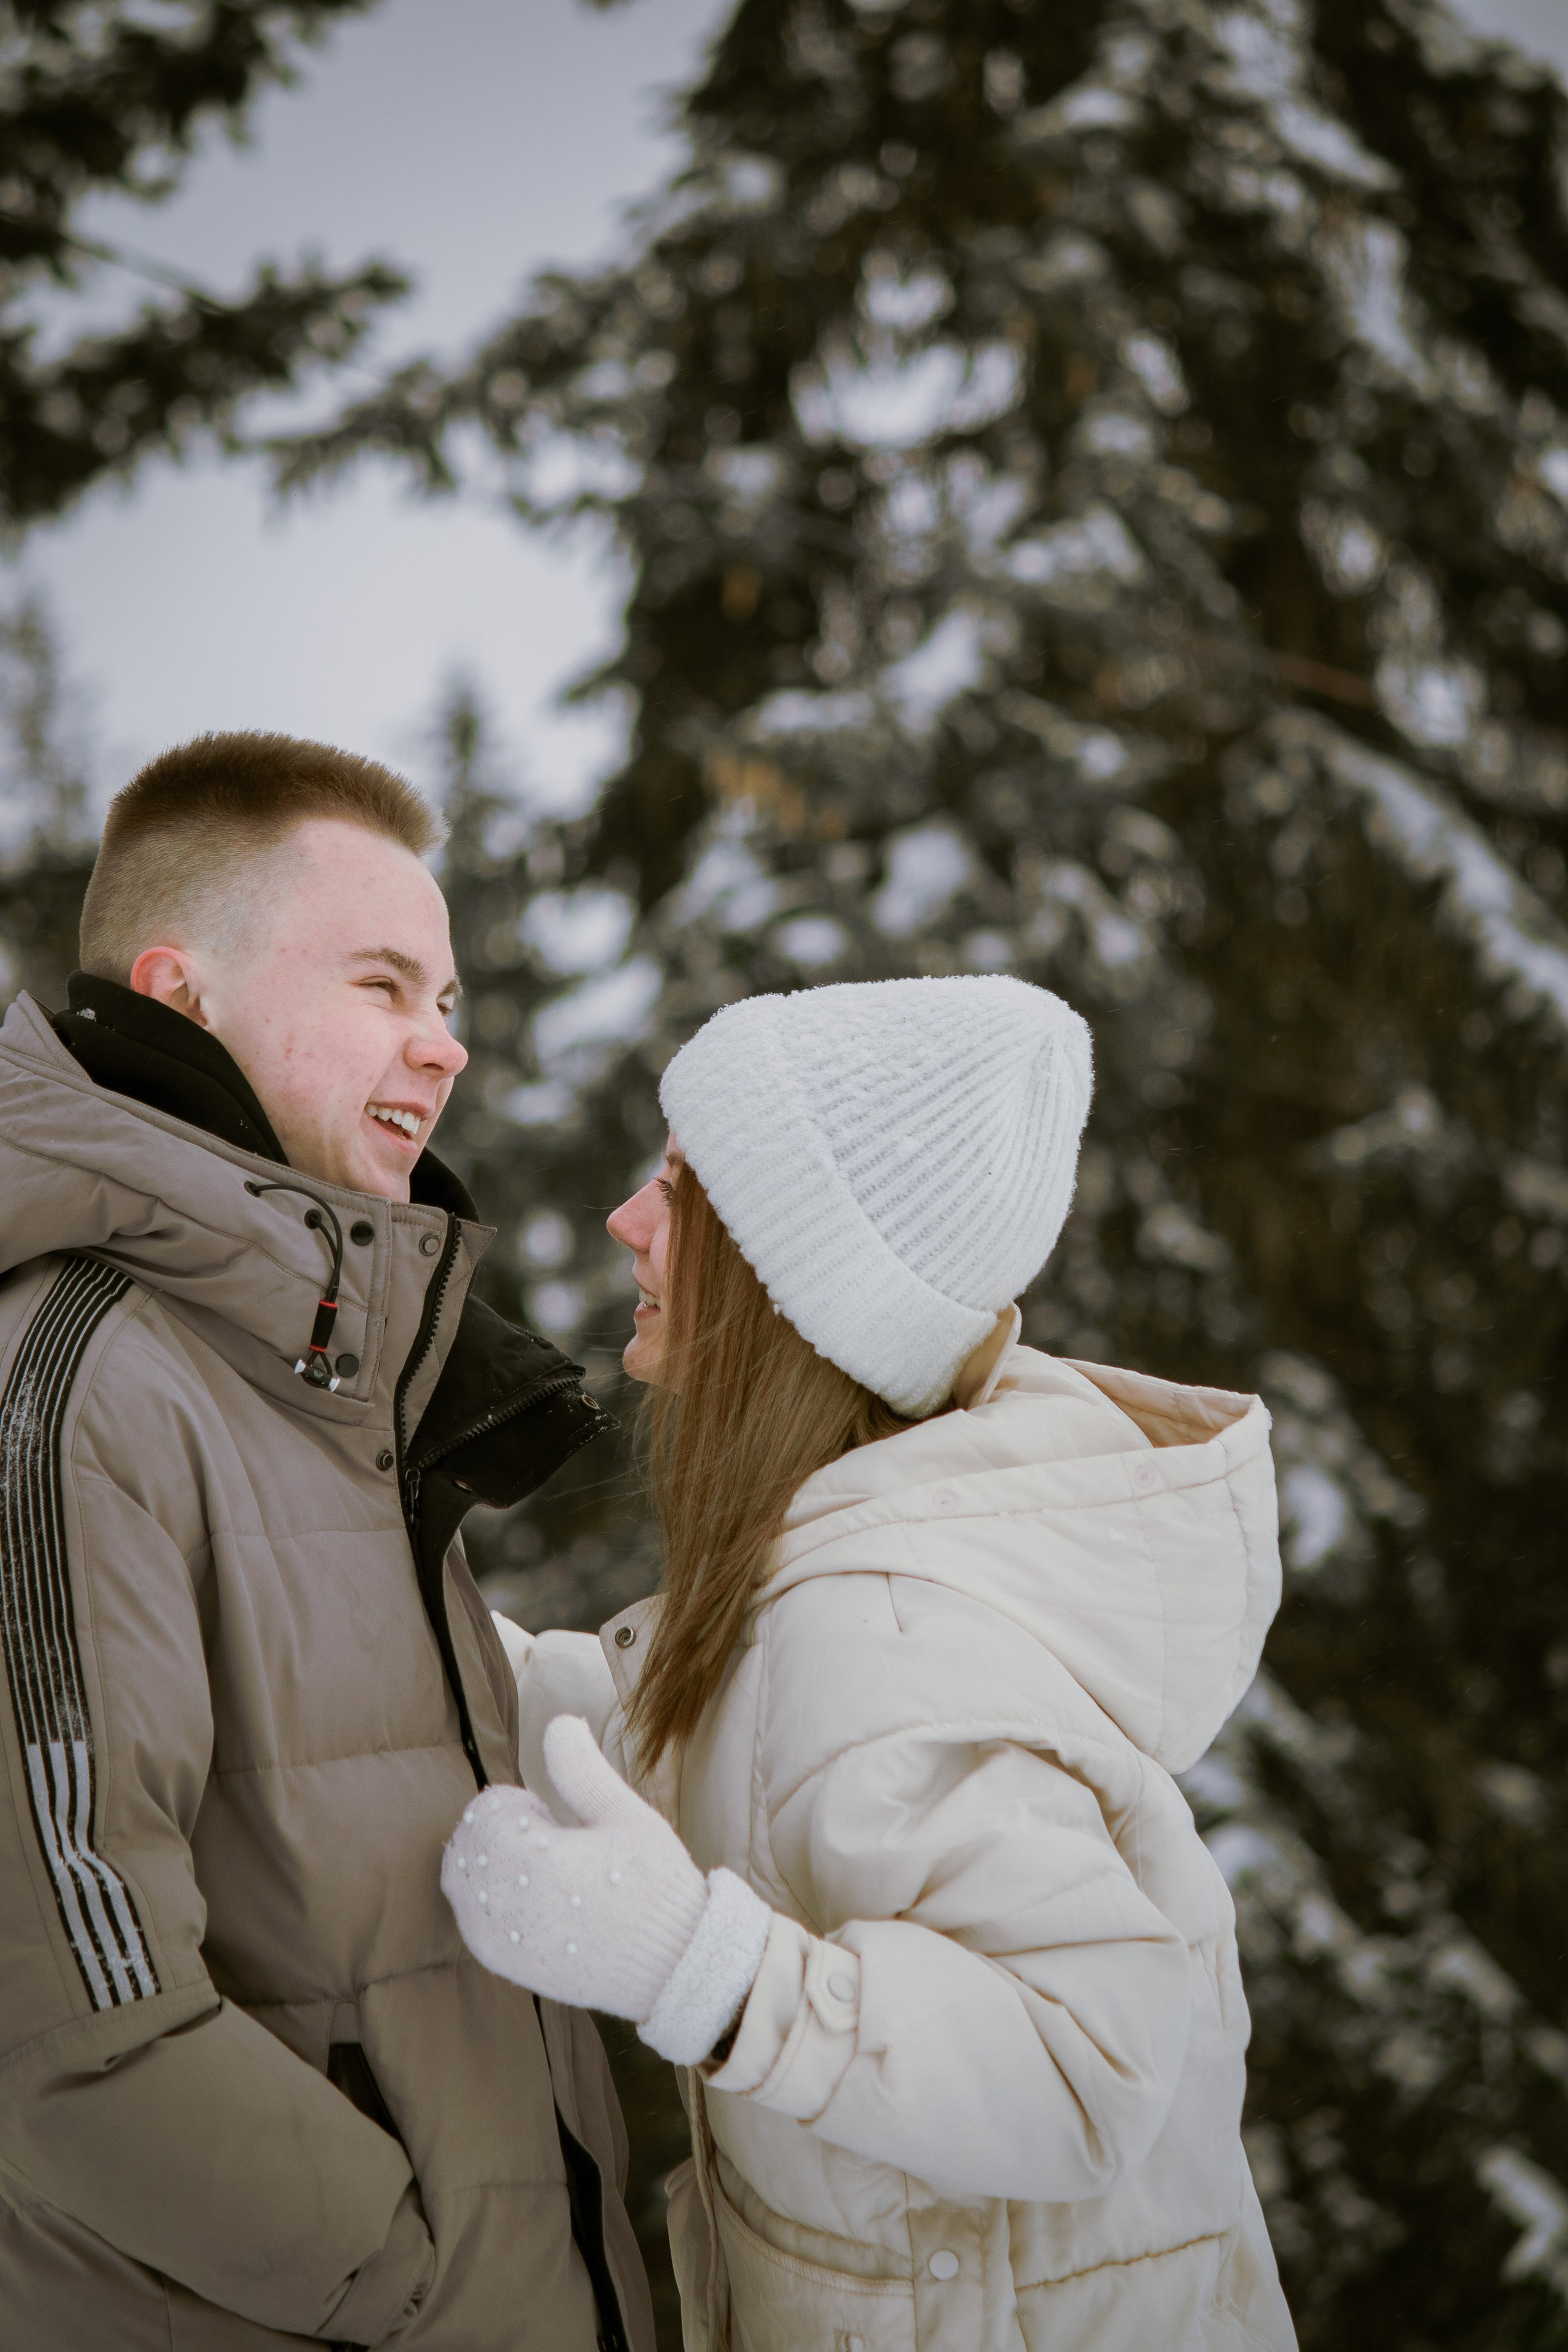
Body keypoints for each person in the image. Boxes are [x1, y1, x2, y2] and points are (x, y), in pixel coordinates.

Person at [445, 974, 1298, 2352]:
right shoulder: (857, 1547)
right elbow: (766, 1776)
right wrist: (446, 1647)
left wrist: (702, 1972)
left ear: (789, 1287)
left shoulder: (885, 1634)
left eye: (677, 1192)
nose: (626, 1222)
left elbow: (1089, 2067)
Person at [0, 734, 652, 2352]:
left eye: (450, 1007)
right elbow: (62, 2021)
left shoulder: (312, 1388)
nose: (444, 1052)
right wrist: (431, 2288)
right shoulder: (85, 1384)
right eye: (384, 986)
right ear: (184, 991)